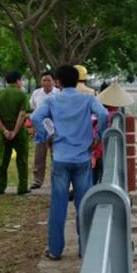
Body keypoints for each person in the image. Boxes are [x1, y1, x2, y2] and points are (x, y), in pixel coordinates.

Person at [31, 64, 108, 260]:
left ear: (58, 81)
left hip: (60, 158)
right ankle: (86, 248)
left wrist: (47, 136)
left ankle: (55, 249)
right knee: (85, 205)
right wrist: (97, 136)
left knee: (58, 206)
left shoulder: (52, 100)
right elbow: (104, 114)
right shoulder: (88, 98)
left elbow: (35, 117)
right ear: (78, 80)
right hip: (82, 158)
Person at [0, 70, 30, 195]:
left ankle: (0, 186)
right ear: (18, 80)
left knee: (3, 158)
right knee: (22, 159)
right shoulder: (22, 95)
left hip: (3, 132)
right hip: (19, 131)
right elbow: (22, 114)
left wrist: (4, 130)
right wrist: (14, 131)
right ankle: (22, 186)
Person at [92, 80, 134, 183]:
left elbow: (94, 133)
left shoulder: (98, 115)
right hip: (103, 153)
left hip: (98, 152)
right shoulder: (114, 116)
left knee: (94, 179)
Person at [29, 71, 59, 189]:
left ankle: (56, 179)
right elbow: (33, 109)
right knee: (39, 156)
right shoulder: (36, 93)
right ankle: (37, 180)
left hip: (54, 130)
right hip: (41, 130)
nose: (46, 83)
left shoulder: (58, 93)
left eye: (48, 80)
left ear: (54, 81)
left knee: (55, 156)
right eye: (44, 80)